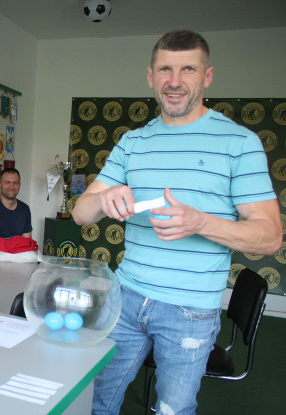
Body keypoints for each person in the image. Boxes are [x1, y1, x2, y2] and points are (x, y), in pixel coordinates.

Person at [72, 30, 281, 415]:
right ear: (150, 77)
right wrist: (102, 198)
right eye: (165, 69)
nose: (175, 81)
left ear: (208, 76)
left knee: (173, 410)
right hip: (125, 296)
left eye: (188, 69)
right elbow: (80, 214)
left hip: (190, 310)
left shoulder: (240, 143)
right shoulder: (132, 143)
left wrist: (201, 223)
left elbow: (269, 237)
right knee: (94, 400)